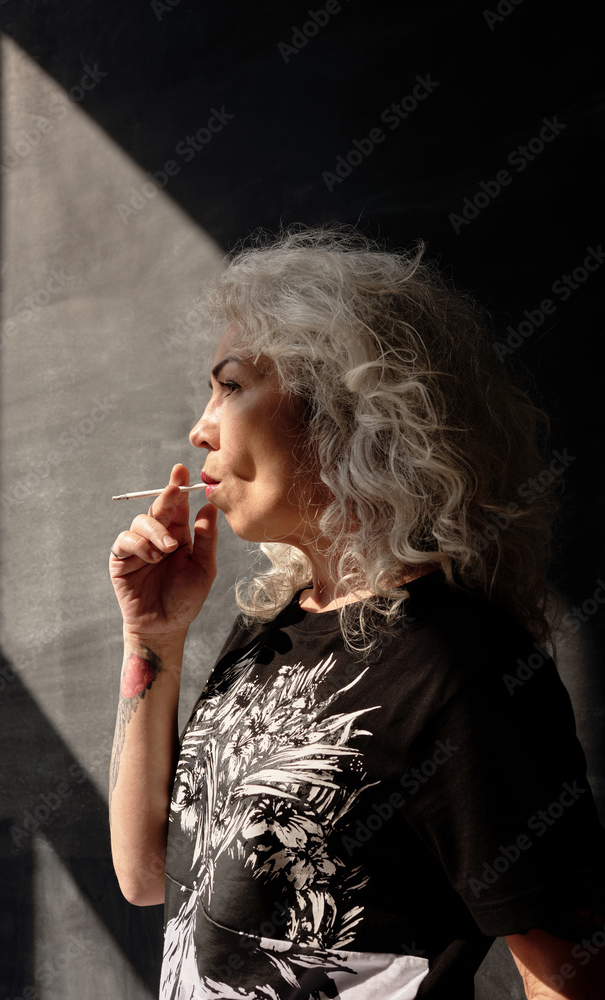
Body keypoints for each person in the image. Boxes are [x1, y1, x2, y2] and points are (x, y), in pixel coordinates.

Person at [108, 227, 605, 999]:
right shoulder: (272, 630)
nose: (200, 428)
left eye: (231, 386)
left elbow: (570, 978)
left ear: (342, 407)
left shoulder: (461, 666)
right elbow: (147, 876)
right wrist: (152, 639)